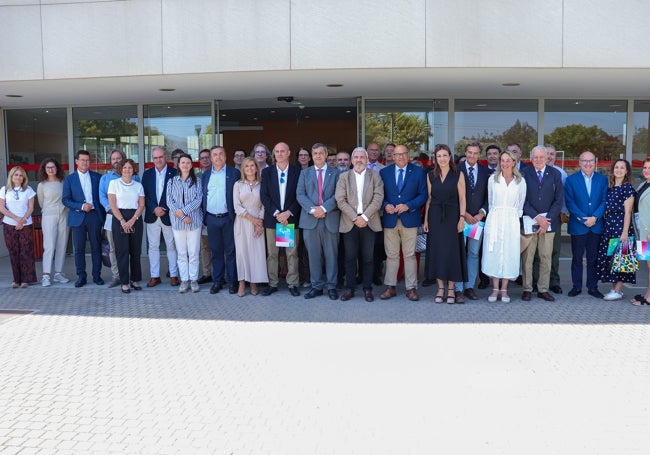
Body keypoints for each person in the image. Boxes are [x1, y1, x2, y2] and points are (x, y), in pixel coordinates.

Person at [379, 144, 427, 301]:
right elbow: (379, 195)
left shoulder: (419, 172)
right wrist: (386, 205)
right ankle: (390, 286)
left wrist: (408, 205)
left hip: (410, 219)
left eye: (403, 154)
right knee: (391, 255)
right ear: (392, 156)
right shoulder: (384, 172)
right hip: (390, 220)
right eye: (397, 154)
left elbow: (423, 195)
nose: (400, 157)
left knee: (410, 255)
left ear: (408, 156)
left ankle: (411, 288)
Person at [335, 147, 384, 302]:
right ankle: (350, 288)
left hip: (369, 223)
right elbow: (340, 200)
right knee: (350, 258)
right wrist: (355, 217)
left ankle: (367, 289)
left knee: (368, 258)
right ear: (351, 160)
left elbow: (378, 197)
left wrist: (365, 217)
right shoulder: (344, 177)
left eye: (362, 157)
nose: (359, 160)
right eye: (356, 157)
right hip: (350, 223)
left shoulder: (375, 176)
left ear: (367, 159)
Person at [423, 144, 467, 304]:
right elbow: (429, 198)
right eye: (438, 156)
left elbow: (462, 198)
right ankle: (440, 288)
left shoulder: (458, 174)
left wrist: (461, 218)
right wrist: (426, 220)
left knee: (451, 252)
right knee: (437, 252)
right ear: (435, 158)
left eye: (444, 155)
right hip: (435, 217)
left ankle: (451, 289)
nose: (442, 158)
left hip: (452, 216)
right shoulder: (430, 175)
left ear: (450, 157)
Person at [297, 142, 341, 300]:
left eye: (321, 153)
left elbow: (338, 195)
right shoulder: (305, 173)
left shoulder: (336, 173)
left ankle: (331, 286)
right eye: (315, 154)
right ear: (311, 156)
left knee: (331, 255)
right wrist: (313, 210)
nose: (318, 156)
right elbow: (300, 194)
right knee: (313, 255)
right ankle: (316, 286)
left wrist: (323, 209)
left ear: (326, 155)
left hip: (330, 219)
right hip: (310, 220)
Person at [482, 151, 527, 302]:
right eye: (503, 160)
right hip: (495, 218)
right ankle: (495, 289)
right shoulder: (492, 180)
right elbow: (490, 201)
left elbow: (520, 205)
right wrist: (493, 218)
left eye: (508, 160)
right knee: (494, 252)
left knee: (509, 253)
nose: (505, 163)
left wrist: (513, 219)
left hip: (511, 220)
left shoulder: (520, 181)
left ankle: (504, 289)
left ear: (514, 162)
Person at [520, 145, 564, 302]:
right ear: (531, 159)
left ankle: (543, 289)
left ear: (547, 158)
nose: (538, 160)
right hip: (529, 220)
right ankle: (527, 288)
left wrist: (546, 220)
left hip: (549, 223)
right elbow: (521, 200)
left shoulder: (555, 174)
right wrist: (537, 217)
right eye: (535, 157)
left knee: (546, 256)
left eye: (541, 157)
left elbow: (559, 200)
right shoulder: (524, 173)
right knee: (528, 257)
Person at [260, 142, 302, 297]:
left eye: (282, 151)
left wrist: (288, 213)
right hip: (273, 219)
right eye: (276, 151)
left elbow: (300, 195)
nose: (279, 154)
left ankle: (292, 283)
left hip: (289, 219)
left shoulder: (297, 172)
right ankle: (273, 283)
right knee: (272, 254)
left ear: (289, 152)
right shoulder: (267, 172)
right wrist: (277, 213)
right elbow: (264, 195)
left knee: (292, 253)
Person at [564, 150, 607, 299]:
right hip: (578, 226)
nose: (588, 164)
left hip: (596, 225)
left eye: (590, 161)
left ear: (595, 163)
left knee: (593, 258)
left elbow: (604, 201)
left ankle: (592, 287)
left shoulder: (603, 180)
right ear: (579, 163)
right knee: (577, 258)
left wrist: (595, 217)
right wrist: (583, 219)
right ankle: (576, 287)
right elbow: (570, 202)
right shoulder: (571, 180)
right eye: (584, 161)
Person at [62, 150, 105, 287]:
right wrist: (81, 206)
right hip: (77, 217)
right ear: (76, 161)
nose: (85, 163)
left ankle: (97, 275)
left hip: (94, 216)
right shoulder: (70, 179)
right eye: (82, 160)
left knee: (96, 247)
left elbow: (102, 197)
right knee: (79, 249)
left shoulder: (97, 177)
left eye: (87, 160)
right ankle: (81, 276)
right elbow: (65, 200)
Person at [99, 149, 140, 288]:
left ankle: (132, 278)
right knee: (113, 248)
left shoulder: (136, 179)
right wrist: (113, 212)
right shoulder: (105, 179)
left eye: (118, 158)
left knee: (132, 249)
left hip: (132, 217)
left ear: (123, 160)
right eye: (113, 159)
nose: (115, 161)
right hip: (112, 216)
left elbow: (139, 201)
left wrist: (131, 218)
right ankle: (117, 276)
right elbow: (103, 197)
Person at [596, 159, 636, 301]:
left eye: (622, 168)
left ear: (626, 171)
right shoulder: (611, 188)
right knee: (612, 259)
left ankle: (618, 291)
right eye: (616, 167)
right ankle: (615, 289)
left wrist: (624, 232)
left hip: (621, 227)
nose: (619, 170)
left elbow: (628, 213)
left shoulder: (627, 188)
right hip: (609, 227)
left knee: (622, 260)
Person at [203, 145, 241, 294]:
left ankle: (233, 282)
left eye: (221, 154)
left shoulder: (234, 173)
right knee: (216, 252)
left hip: (228, 218)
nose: (218, 157)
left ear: (225, 156)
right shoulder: (206, 175)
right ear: (211, 158)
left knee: (231, 251)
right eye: (215, 155)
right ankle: (218, 281)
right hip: (212, 218)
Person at [455, 142, 488, 302]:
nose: (472, 156)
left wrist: (482, 213)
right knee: (459, 253)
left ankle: (469, 287)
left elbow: (490, 197)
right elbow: (453, 195)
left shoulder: (485, 172)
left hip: (477, 221)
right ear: (465, 153)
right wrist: (464, 214)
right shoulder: (456, 170)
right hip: (461, 219)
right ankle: (458, 288)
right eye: (469, 152)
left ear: (479, 155)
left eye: (475, 153)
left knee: (473, 254)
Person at [142, 146, 180, 287]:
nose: (158, 160)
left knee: (171, 246)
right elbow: (144, 195)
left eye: (161, 157)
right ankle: (154, 276)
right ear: (153, 159)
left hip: (169, 215)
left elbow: (176, 195)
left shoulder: (175, 173)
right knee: (153, 246)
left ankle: (174, 275)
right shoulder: (147, 174)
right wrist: (154, 208)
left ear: (166, 157)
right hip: (153, 215)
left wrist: (164, 208)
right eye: (155, 157)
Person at [167, 153, 204, 294]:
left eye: (188, 162)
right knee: (182, 253)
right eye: (183, 162)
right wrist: (183, 216)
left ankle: (193, 279)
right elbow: (170, 201)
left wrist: (185, 212)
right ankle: (184, 280)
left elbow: (198, 200)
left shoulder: (197, 181)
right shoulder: (172, 181)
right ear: (178, 164)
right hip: (178, 223)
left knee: (193, 252)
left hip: (194, 221)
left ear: (191, 165)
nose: (185, 165)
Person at [107, 159, 145, 294]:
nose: (127, 170)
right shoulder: (114, 184)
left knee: (135, 251)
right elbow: (112, 205)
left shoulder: (138, 185)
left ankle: (135, 280)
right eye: (125, 167)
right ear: (120, 169)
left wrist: (133, 219)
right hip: (119, 218)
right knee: (122, 252)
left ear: (134, 169)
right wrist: (123, 221)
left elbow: (141, 205)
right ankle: (124, 282)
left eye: (130, 167)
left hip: (135, 218)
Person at [234, 157, 268, 296]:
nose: (249, 168)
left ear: (256, 168)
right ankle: (242, 282)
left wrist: (259, 221)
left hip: (258, 223)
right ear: (243, 168)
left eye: (252, 165)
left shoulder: (262, 184)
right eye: (246, 166)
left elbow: (265, 204)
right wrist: (252, 219)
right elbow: (236, 206)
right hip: (243, 221)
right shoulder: (238, 185)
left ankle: (254, 282)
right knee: (242, 253)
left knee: (256, 254)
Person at [0, 166, 37, 288]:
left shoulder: (28, 190)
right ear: (11, 176)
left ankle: (26, 279)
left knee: (26, 252)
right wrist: (16, 219)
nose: (18, 177)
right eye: (16, 175)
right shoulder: (4, 190)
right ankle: (16, 279)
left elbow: (31, 207)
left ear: (24, 178)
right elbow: (2, 208)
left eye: (21, 175)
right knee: (13, 252)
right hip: (9, 224)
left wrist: (23, 220)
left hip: (25, 224)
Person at [36, 158, 70, 287]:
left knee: (62, 244)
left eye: (53, 167)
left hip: (64, 215)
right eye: (48, 167)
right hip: (49, 216)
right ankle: (45, 275)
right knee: (49, 246)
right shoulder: (42, 185)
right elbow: (41, 202)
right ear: (44, 169)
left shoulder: (63, 182)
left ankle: (58, 273)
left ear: (57, 168)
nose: (50, 169)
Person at [632, 158, 650, 306]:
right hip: (642, 232)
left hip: (649, 233)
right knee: (648, 265)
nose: (646, 170)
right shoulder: (643, 185)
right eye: (645, 167)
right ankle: (647, 294)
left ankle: (649, 298)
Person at [196, 148, 213, 284]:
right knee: (205, 246)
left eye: (208, 157)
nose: (205, 160)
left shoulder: (217, 174)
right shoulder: (196, 177)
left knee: (220, 247)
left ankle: (221, 274)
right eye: (202, 158)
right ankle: (207, 273)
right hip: (202, 217)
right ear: (199, 161)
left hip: (217, 216)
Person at [296, 146, 312, 287]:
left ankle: (307, 277)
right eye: (300, 155)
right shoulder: (294, 172)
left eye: (306, 155)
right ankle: (296, 278)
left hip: (310, 216)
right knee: (294, 248)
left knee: (307, 249)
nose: (303, 157)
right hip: (292, 216)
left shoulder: (314, 172)